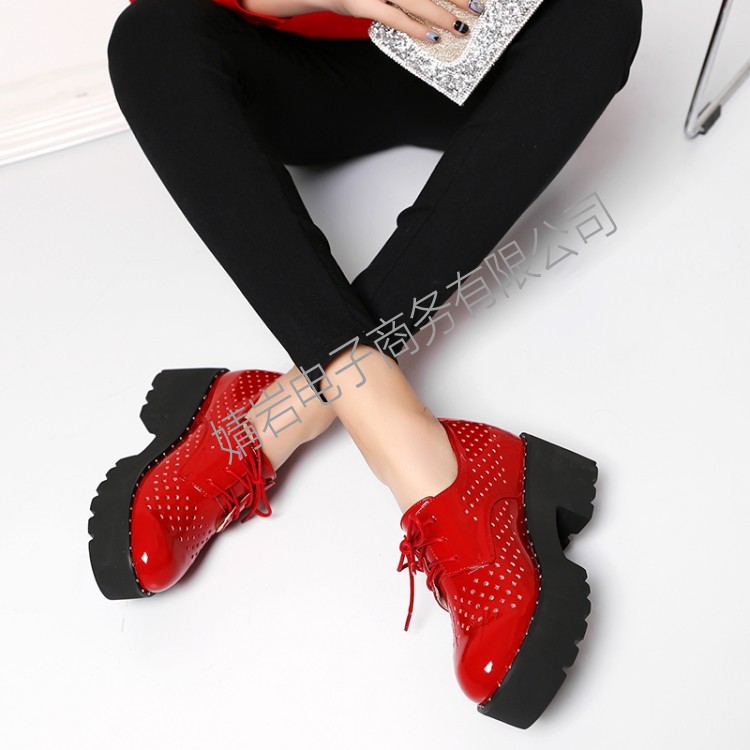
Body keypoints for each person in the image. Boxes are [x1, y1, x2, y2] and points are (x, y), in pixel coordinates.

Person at [88, 0, 643, 728]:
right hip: (303, 76)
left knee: (604, 12)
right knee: (150, 35)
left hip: (484, 62)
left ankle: (274, 418)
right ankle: (421, 461)